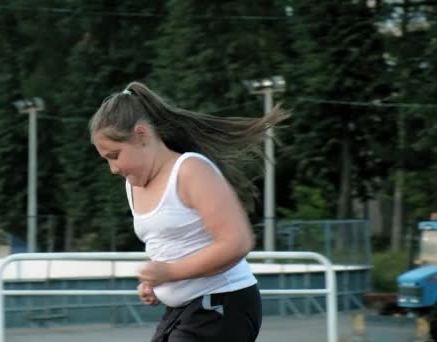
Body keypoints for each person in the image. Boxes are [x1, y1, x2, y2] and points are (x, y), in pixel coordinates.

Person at [89, 81, 288, 342]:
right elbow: (172, 244)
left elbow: (238, 242)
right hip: (183, 310)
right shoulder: (132, 185)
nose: (113, 168)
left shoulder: (190, 170)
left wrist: (170, 274)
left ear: (141, 134)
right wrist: (156, 284)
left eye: (115, 155)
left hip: (224, 303)